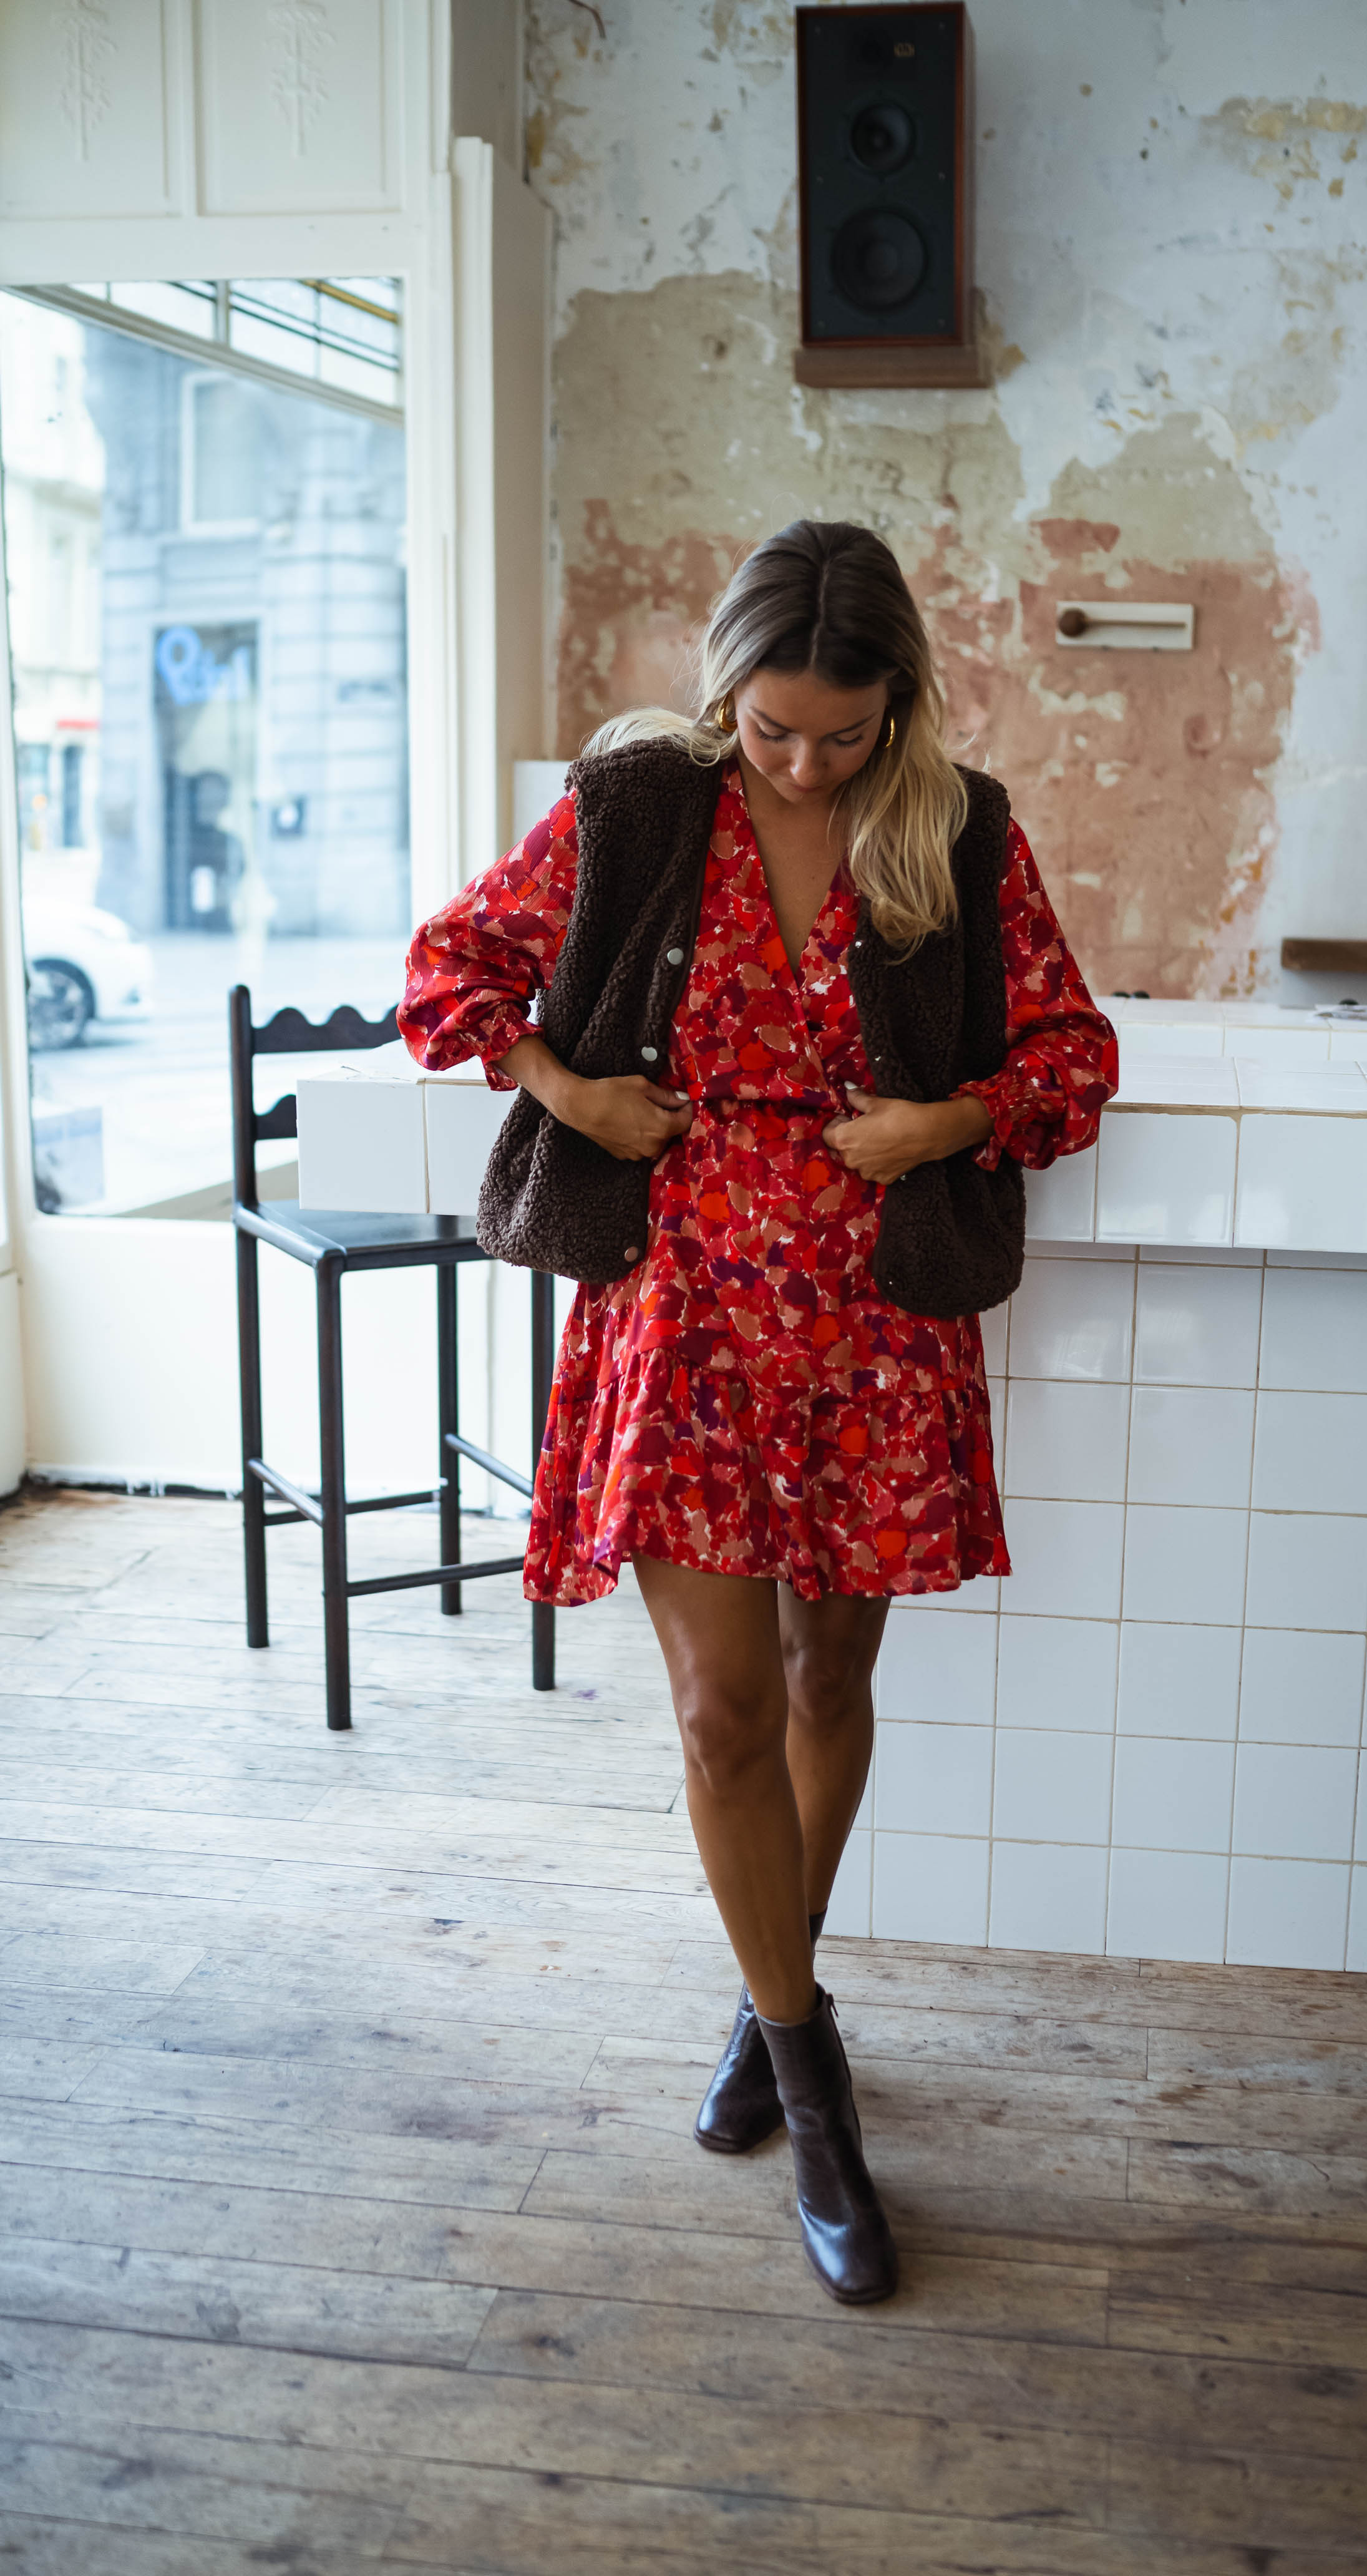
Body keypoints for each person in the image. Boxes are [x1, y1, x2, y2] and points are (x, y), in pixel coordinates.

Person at [399, 521, 1116, 2305]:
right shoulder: (641, 807)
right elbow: (444, 979)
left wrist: (944, 1125)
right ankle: (819, 2102)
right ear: (728, 692)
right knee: (722, 1708)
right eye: (774, 727)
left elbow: (1072, 1057)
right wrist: (570, 1084)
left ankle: (764, 1987)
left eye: (841, 733)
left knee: (827, 1685)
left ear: (902, 706)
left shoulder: (957, 830)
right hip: (683, 1320)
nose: (803, 763)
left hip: (876, 1328)